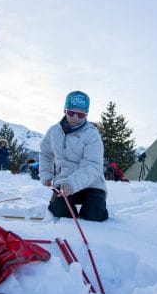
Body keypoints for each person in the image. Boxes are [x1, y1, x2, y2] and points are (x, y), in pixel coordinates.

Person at [39, 91, 108, 222]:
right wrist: (46, 175)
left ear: (86, 114)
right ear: (65, 110)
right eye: (71, 113)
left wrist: (71, 184)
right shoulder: (53, 132)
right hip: (63, 183)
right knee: (60, 211)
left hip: (92, 184)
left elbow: (92, 166)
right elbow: (45, 153)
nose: (75, 117)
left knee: (94, 215)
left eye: (80, 114)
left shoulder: (92, 135)